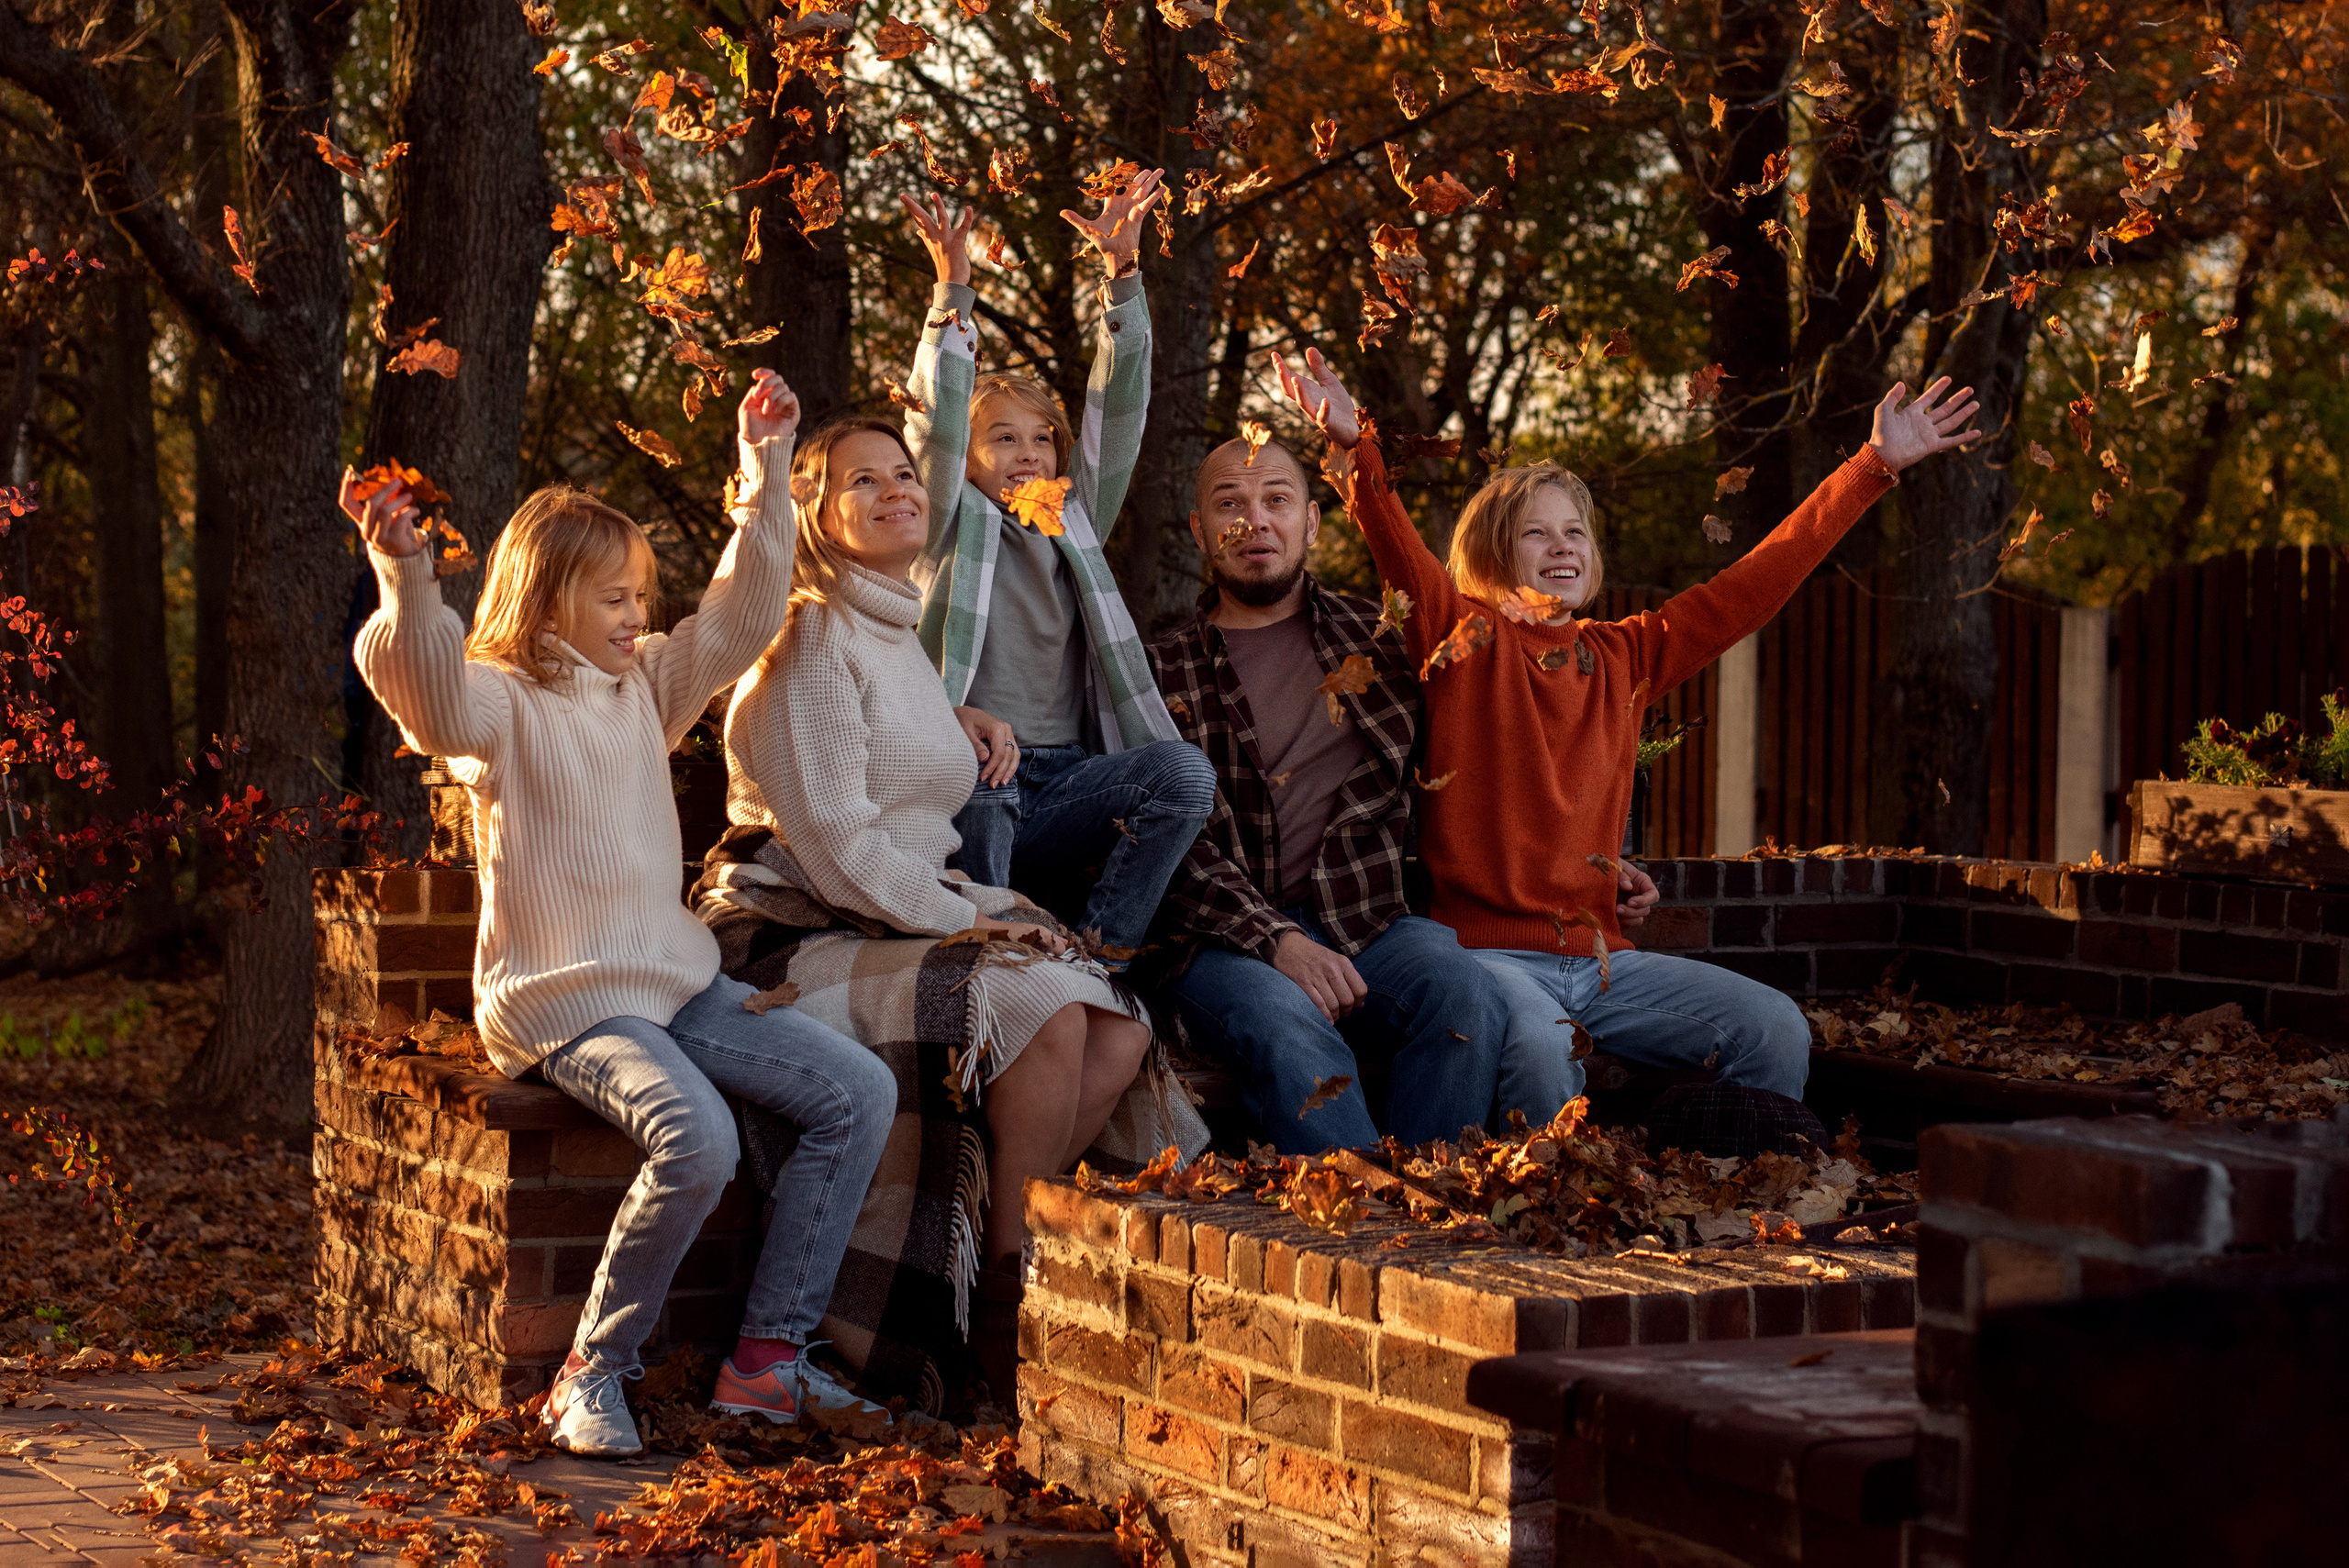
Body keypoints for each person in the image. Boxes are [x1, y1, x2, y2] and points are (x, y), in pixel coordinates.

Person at [344, 371, 897, 1456]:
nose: (638, 616)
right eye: (614, 598)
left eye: (641, 596)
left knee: (857, 1089)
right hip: (565, 1002)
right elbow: (422, 687)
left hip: (676, 981)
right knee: (697, 1136)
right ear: (548, 598)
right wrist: (404, 574)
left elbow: (742, 613)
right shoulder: (500, 699)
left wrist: (766, 467)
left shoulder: (642, 684)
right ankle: (592, 1369)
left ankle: (766, 1363)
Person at [1271, 346, 1983, 1106]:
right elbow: (1400, 553)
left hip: (1606, 962)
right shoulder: (1463, 640)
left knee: (1773, 1028)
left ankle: (1727, 1194)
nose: (1563, 548)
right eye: (1537, 534)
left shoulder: (1626, 654)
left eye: (1575, 533)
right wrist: (1354, 447)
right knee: (1543, 1055)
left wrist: (1871, 465)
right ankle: (1526, 1218)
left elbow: (1755, 583)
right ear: (1491, 551)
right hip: (1489, 959)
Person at [706, 412, 1207, 1401]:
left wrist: (964, 730)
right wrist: (968, 923)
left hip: (896, 905)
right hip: (795, 925)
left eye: (903, 470)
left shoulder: (895, 631)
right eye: (862, 479)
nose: (897, 487)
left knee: (1109, 1020)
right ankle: (999, 1311)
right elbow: (841, 845)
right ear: (812, 512)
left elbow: (908, 790)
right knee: (1040, 1008)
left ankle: (990, 1250)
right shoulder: (807, 635)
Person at [1148, 435, 1551, 1154]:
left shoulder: (1384, 641)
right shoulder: (1159, 671)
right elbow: (1171, 845)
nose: (1255, 521)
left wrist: (1593, 858)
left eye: (1277, 500)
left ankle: (1431, 1198)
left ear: (1312, 523)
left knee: (1465, 991)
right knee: (1285, 1019)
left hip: (1366, 919)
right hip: (1224, 946)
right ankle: (1365, 1227)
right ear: (1200, 530)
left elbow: (1494, 750)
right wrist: (1277, 940)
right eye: (1229, 505)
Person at [898, 172, 1216, 963]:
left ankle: (1103, 955)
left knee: (1184, 776)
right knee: (982, 775)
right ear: (968, 463)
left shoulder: (1075, 522)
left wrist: (1123, 280)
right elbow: (933, 429)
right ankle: (995, 961)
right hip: (970, 770)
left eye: (1041, 439)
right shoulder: (946, 522)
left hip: (1070, 778)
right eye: (1003, 439)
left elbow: (1120, 412)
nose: (1028, 453)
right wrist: (952, 292)